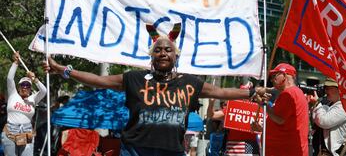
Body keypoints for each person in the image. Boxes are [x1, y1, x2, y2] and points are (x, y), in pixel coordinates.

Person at [42, 24, 269, 156]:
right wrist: (64, 70)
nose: (162, 53)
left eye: (167, 50)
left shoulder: (190, 82)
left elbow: (221, 93)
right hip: (134, 150)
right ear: (151, 56)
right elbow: (98, 81)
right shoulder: (134, 78)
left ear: (175, 55)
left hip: (171, 151)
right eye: (158, 50)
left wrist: (251, 93)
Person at [251, 63, 309, 156]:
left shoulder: (289, 93)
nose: (272, 79)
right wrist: (263, 129)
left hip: (285, 151)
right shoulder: (294, 93)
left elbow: (280, 119)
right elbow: (285, 124)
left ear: (284, 76)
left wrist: (263, 104)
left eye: (275, 76)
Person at [2, 52, 47, 156]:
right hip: (10, 133)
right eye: (23, 85)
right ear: (19, 87)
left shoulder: (33, 98)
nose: (25, 87)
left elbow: (44, 91)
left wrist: (34, 79)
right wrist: (16, 63)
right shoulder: (13, 94)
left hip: (26, 133)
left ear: (30, 89)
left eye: (28, 85)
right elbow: (9, 78)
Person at [207, 82, 260, 156]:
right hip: (234, 147)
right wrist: (211, 103)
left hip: (250, 145)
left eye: (248, 94)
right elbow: (211, 115)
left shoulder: (258, 108)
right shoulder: (232, 109)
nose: (246, 97)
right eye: (244, 94)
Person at [308, 77, 346, 156]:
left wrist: (317, 103)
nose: (326, 90)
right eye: (325, 88)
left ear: (340, 90)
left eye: (329, 88)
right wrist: (312, 105)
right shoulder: (329, 104)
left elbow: (324, 121)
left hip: (337, 153)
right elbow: (315, 121)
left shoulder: (345, 107)